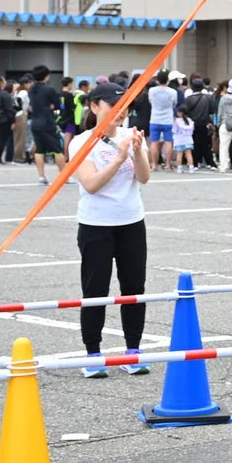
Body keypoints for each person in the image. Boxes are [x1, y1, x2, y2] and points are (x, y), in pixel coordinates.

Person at [72, 84, 152, 378]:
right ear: (94, 107)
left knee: (134, 288)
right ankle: (93, 352)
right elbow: (91, 184)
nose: (121, 112)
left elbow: (144, 177)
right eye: (113, 106)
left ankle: (133, 350)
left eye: (125, 106)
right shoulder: (81, 142)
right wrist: (119, 157)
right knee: (95, 290)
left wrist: (136, 152)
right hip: (96, 225)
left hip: (132, 221)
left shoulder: (131, 136)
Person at [24, 65, 65, 186]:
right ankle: (64, 176)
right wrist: (51, 107)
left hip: (35, 122)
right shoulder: (49, 89)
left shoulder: (31, 89)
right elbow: (57, 104)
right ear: (46, 76)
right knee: (57, 149)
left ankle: (41, 176)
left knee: (40, 150)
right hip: (47, 122)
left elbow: (32, 106)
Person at [171, 107, 195, 173]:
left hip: (179, 139)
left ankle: (179, 168)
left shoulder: (177, 121)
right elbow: (192, 130)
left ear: (180, 113)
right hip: (188, 139)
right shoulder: (189, 120)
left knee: (179, 154)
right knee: (189, 154)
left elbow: (174, 130)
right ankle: (191, 168)